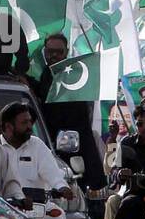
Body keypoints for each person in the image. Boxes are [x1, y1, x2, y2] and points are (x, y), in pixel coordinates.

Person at [0, 101, 72, 219]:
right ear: (8, 126)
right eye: (24, 123)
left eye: (30, 122)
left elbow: (53, 174)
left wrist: (62, 187)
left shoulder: (37, 145)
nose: (29, 126)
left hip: (38, 205)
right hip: (3, 205)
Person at [25, 32, 108, 192]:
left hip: (73, 147)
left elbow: (57, 103)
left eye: (59, 52)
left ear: (67, 52)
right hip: (46, 142)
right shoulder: (46, 73)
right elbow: (45, 94)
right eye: (50, 52)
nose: (54, 56)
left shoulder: (75, 76)